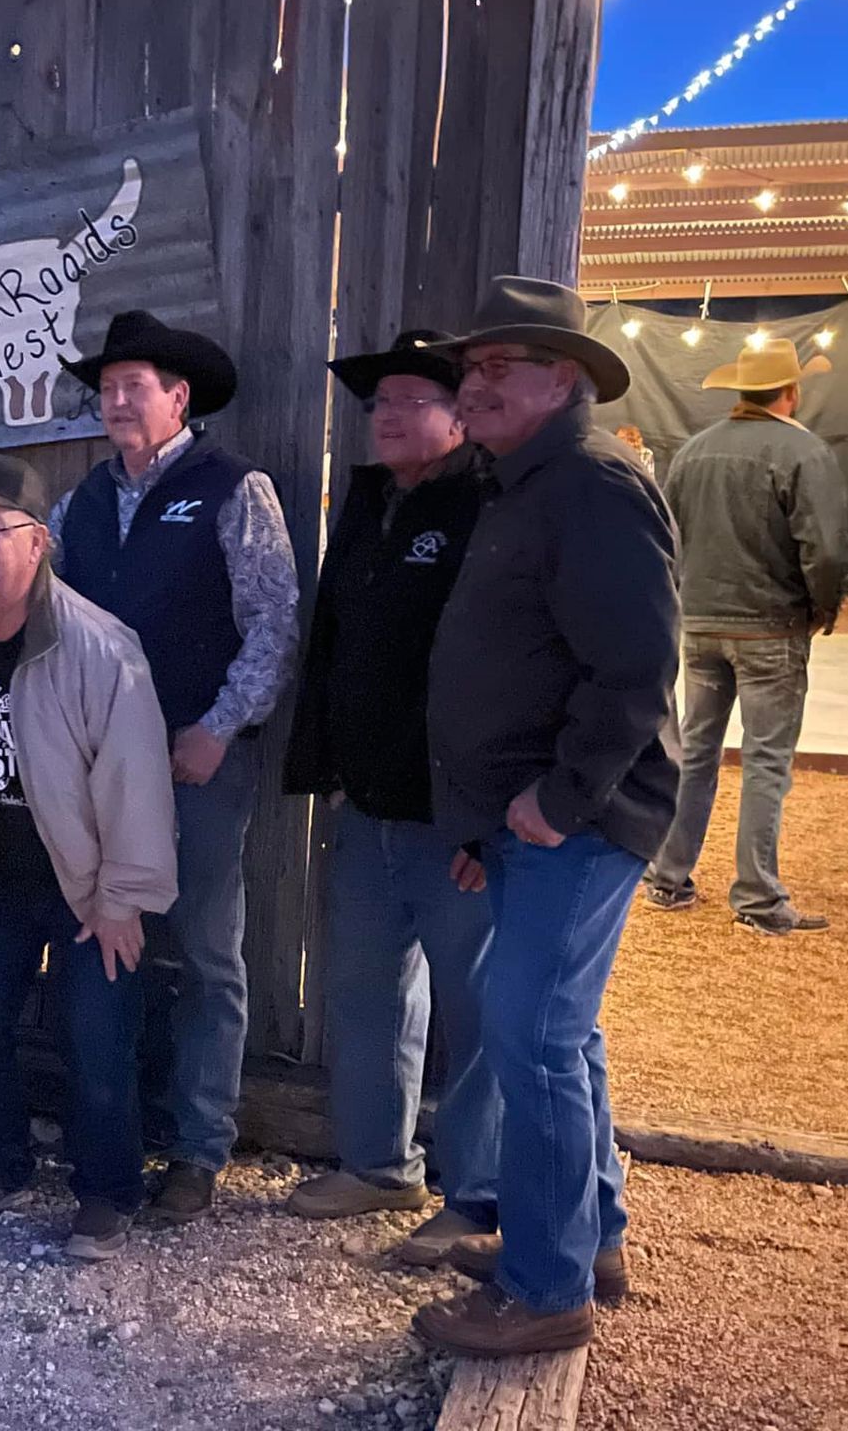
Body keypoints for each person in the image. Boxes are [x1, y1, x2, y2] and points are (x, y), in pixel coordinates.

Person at [412, 277, 679, 1357]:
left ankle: (546, 1289)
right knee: (558, 1031)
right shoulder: (524, 483)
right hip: (532, 823)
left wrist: (559, 802)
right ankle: (587, 1238)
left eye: (497, 367)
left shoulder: (589, 485)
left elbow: (636, 670)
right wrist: (489, 824)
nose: (472, 385)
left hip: (579, 819)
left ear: (562, 378)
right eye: (469, 368)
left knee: (532, 1037)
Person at [50, 309, 300, 1223]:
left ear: (178, 397)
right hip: (102, 769)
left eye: (135, 387)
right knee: (113, 944)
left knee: (204, 955)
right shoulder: (80, 502)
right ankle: (120, 1133)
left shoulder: (233, 487)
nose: (117, 401)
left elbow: (274, 620)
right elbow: (45, 608)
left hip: (196, 763)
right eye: (107, 389)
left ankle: (198, 1148)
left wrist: (219, 728)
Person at [0, 453, 177, 1261]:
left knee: (96, 1037)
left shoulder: (99, 647)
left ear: (38, 543)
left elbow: (137, 779)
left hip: (86, 880)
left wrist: (123, 898)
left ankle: (108, 1190)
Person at [281, 332, 499, 1265]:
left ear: (460, 417)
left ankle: (480, 1196)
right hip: (367, 802)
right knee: (365, 991)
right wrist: (326, 765)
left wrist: (489, 818)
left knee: (479, 1011)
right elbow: (330, 638)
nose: (390, 416)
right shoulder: (370, 501)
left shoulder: (487, 505)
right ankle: (377, 1166)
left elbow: (505, 669)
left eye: (414, 400)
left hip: (455, 816)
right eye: (380, 404)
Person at [645, 339, 845, 935]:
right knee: (765, 761)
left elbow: (668, 535)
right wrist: (823, 608)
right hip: (772, 627)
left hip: (700, 623)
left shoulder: (693, 450)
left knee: (695, 752)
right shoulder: (805, 451)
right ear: (792, 393)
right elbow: (824, 549)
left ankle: (668, 876)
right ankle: (757, 897)